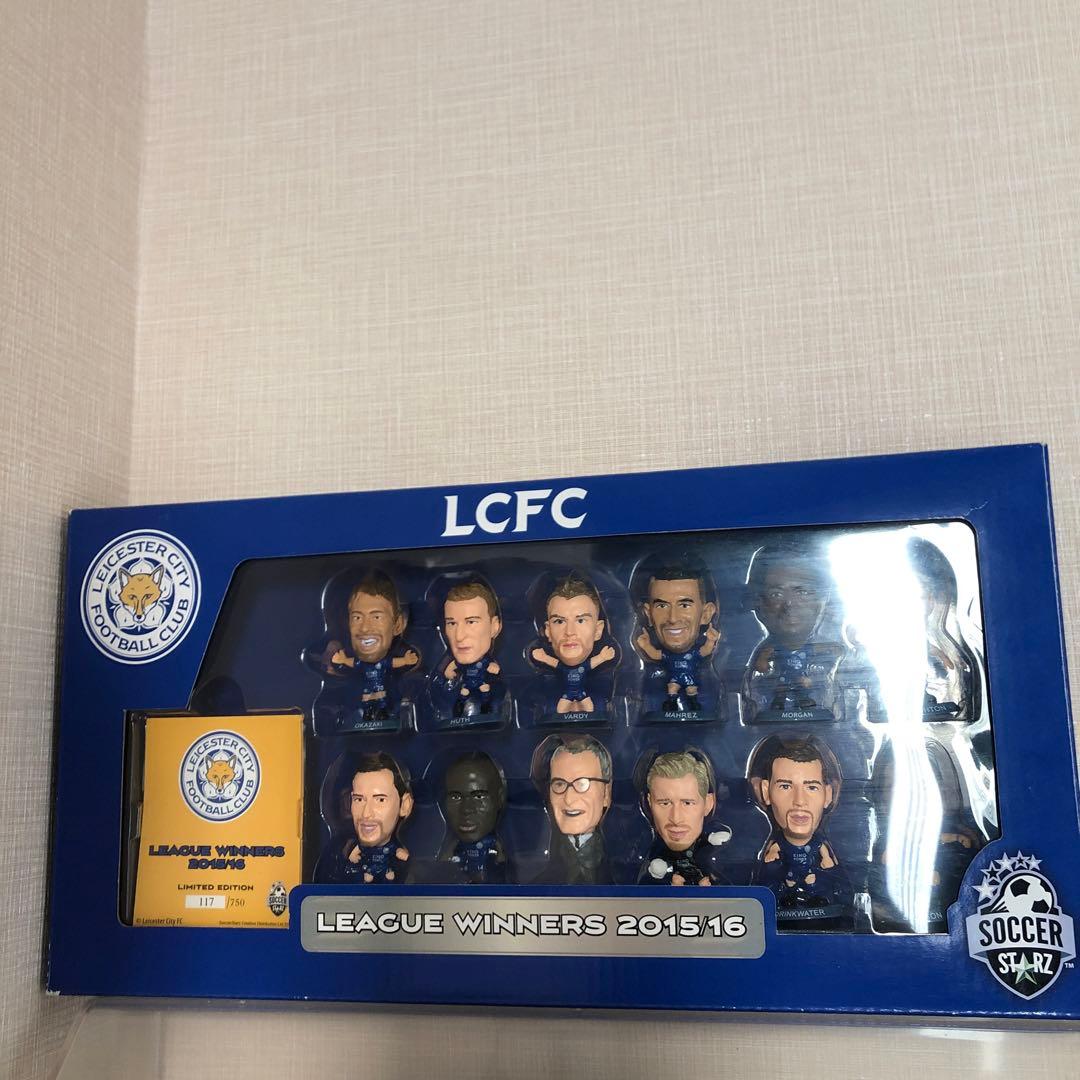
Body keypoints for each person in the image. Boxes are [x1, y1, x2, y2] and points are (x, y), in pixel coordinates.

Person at [744, 546, 839, 717]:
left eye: (802, 592)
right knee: (780, 691)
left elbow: (826, 651)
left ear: (823, 598)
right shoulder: (770, 650)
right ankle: (778, 704)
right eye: (776, 594)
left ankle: (804, 702)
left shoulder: (820, 654)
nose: (790, 604)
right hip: (782, 678)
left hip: (803, 679)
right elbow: (761, 666)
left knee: (804, 688)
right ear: (760, 603)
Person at [751, 737, 842, 907]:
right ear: (766, 792)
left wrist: (827, 863)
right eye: (785, 786)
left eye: (812, 787)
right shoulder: (776, 844)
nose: (799, 801)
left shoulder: (819, 843)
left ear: (828, 795)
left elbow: (833, 872)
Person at [322, 572, 420, 726]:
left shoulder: (400, 673)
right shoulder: (346, 672)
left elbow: (395, 665)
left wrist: (407, 661)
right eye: (357, 618)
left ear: (398, 625)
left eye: (376, 617)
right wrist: (339, 660)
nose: (365, 628)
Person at [316, 753, 413, 884]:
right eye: (359, 799)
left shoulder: (408, 866)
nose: (366, 814)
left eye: (380, 800)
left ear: (405, 805)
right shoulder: (335, 860)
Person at [635, 565, 720, 712]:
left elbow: (705, 651)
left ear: (706, 614)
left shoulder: (692, 654)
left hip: (689, 678)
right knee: (672, 688)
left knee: (691, 690)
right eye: (662, 606)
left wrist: (711, 640)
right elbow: (654, 654)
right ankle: (672, 704)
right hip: (674, 679)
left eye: (684, 605)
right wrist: (645, 645)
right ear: (648, 614)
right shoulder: (667, 655)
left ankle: (693, 704)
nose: (673, 618)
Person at [639, 750, 730, 886]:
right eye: (665, 803)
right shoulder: (650, 851)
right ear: (650, 803)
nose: (676, 819)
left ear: (708, 804)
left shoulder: (716, 854)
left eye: (687, 803)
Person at [535, 734, 613, 884]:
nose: (569, 799)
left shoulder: (622, 869)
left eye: (582, 784)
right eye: (559, 784)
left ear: (606, 794)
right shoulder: (536, 871)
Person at [531, 577, 616, 715]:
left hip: (582, 693)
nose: (570, 632)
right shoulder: (560, 670)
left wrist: (603, 657)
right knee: (560, 709)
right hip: (567, 694)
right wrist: (543, 657)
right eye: (559, 621)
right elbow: (553, 664)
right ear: (548, 631)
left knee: (589, 708)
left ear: (598, 630)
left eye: (581, 620)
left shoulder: (587, 669)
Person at [441, 752, 508, 884]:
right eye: (456, 797)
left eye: (479, 796)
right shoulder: (444, 860)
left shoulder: (509, 859)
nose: (466, 809)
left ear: (500, 798)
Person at [441, 580, 502, 720]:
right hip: (467, 685)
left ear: (494, 626)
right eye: (451, 623)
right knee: (463, 696)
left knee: (485, 693)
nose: (459, 636)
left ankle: (486, 710)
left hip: (481, 684)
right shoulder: (452, 671)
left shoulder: (488, 663)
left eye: (471, 622)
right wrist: (448, 672)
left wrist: (495, 669)